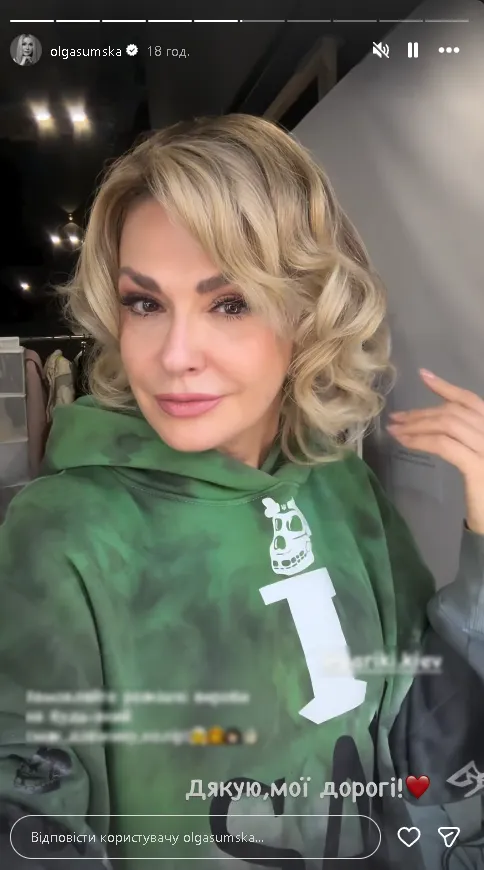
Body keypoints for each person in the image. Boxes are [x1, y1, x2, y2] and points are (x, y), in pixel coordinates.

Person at [0, 114, 484, 870]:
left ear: (307, 313)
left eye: (229, 303)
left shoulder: (342, 487)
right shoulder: (60, 534)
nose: (175, 355)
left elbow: (418, 733)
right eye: (144, 303)